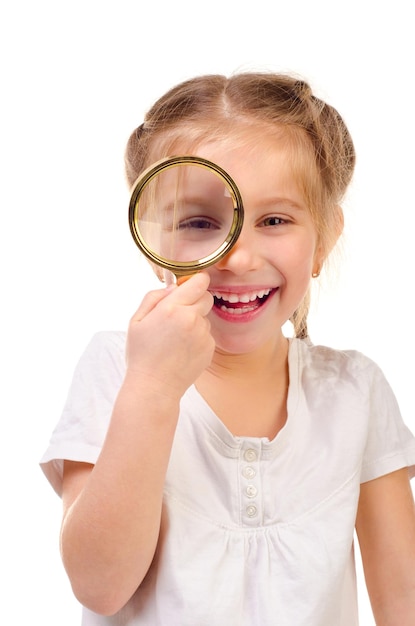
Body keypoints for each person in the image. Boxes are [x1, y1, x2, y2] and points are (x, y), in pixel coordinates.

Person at [40, 72, 415, 626]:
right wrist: (153, 388)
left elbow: (403, 600)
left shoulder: (354, 392)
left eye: (274, 220)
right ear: (153, 240)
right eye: (198, 221)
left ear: (326, 239)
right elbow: (99, 585)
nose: (236, 258)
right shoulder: (118, 369)